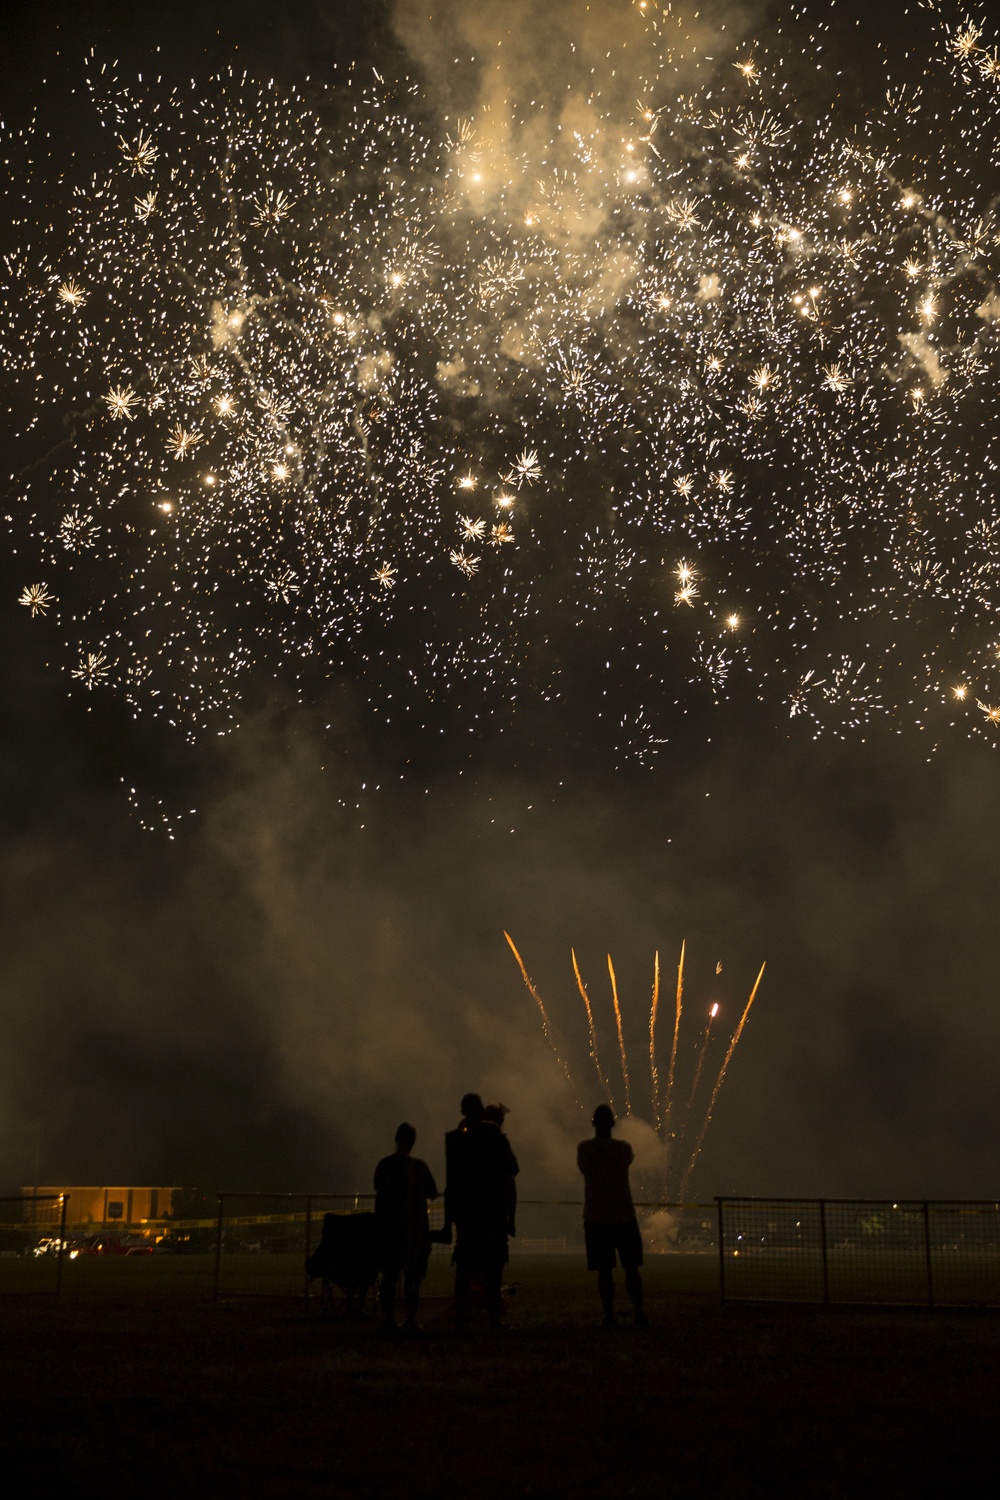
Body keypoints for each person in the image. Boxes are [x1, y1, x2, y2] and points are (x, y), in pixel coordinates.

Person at [444, 1092, 519, 1328]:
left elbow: (451, 1182)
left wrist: (449, 1219)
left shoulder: (454, 1139)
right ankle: (493, 1319)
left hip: (467, 1212)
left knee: (465, 1267)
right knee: (493, 1267)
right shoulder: (494, 1134)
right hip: (492, 1210)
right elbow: (513, 1168)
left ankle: (460, 1320)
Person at [577, 1104, 648, 1328]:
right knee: (632, 1269)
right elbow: (628, 1160)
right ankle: (639, 1314)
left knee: (604, 1271)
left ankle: (609, 1316)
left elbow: (585, 1169)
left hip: (596, 1217)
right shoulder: (623, 1148)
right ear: (613, 1124)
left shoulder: (585, 1148)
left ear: (593, 1123)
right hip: (623, 1215)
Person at [373, 1122, 438, 1332]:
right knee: (412, 1278)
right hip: (413, 1231)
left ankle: (388, 1318)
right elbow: (433, 1192)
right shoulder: (419, 1167)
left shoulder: (383, 1165)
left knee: (390, 1276)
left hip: (389, 1229)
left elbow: (380, 1194)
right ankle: (410, 1319)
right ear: (413, 1142)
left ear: (396, 1139)